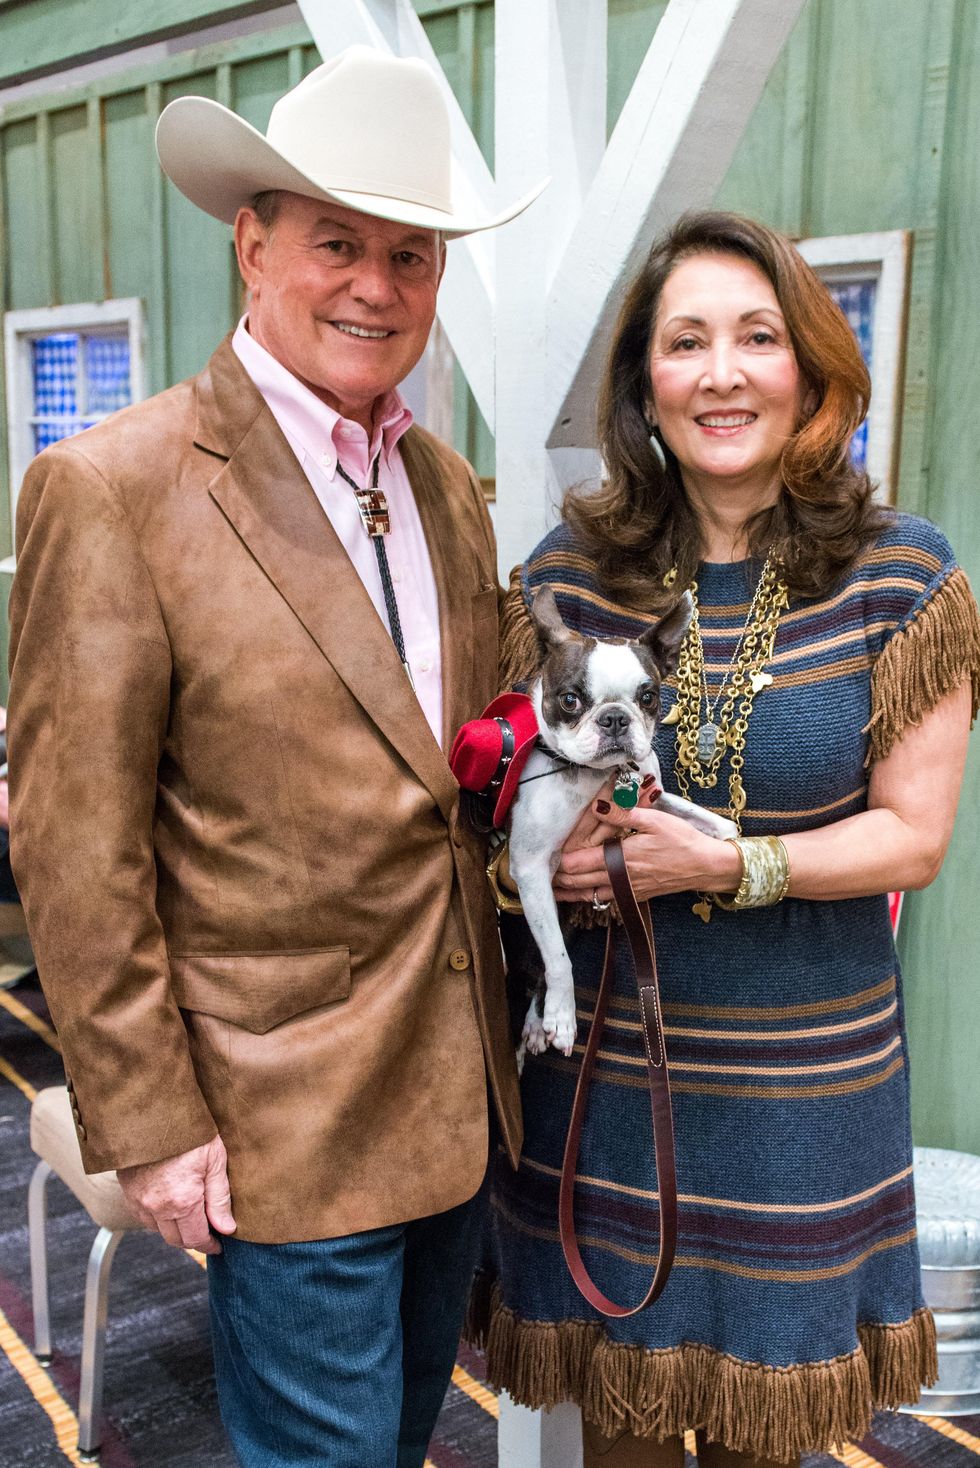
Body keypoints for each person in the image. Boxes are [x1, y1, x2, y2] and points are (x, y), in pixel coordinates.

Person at [7, 47, 544, 1468]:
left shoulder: (441, 483)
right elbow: (77, 843)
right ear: (253, 244)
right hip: (272, 1116)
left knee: (409, 1439)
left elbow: (465, 766)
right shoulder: (112, 487)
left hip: (458, 1096)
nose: (376, 284)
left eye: (410, 254)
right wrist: (154, 1127)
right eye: (337, 243)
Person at [477, 211, 980, 1467]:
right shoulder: (569, 573)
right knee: (624, 1433)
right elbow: (495, 806)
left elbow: (911, 838)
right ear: (643, 379)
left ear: (807, 368)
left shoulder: (897, 575)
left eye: (755, 337)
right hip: (602, 1080)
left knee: (765, 1430)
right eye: (683, 340)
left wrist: (733, 862)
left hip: (797, 1084)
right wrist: (527, 864)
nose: (719, 371)